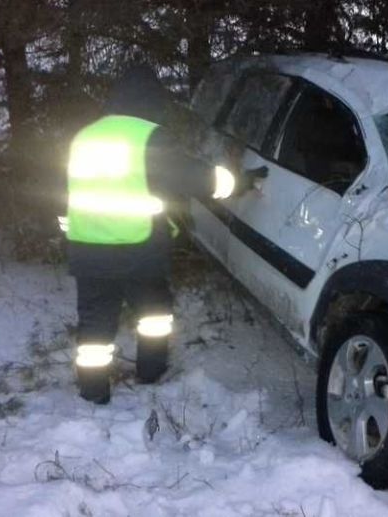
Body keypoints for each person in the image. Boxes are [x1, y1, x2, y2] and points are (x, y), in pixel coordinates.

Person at [63, 65, 250, 404]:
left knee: (94, 325)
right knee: (153, 315)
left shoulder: (85, 135)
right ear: (152, 100)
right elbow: (195, 178)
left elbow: (63, 194)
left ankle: (93, 393)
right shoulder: (150, 136)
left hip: (88, 250)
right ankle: (151, 373)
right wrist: (240, 181)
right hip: (139, 249)